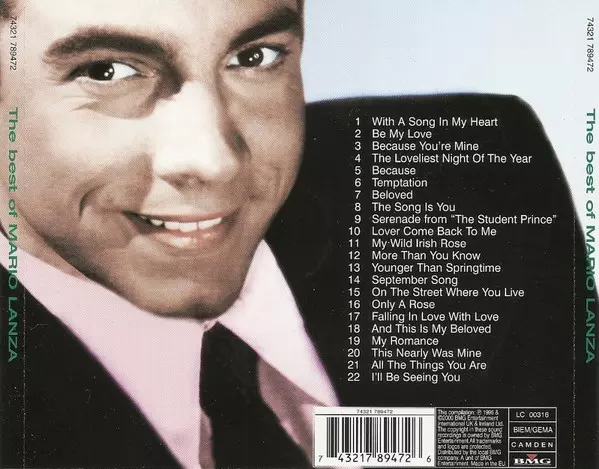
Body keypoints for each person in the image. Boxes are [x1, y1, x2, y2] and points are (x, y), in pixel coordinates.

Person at [0, 0, 594, 468]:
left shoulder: (463, 170)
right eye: (105, 72)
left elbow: (535, 440)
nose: (215, 161)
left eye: (254, 57)